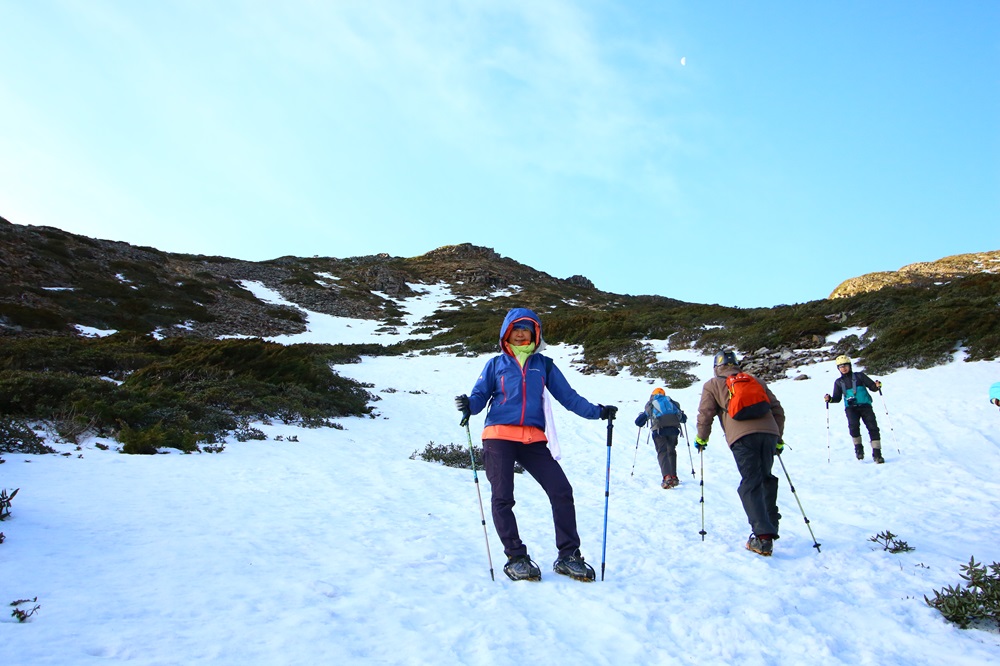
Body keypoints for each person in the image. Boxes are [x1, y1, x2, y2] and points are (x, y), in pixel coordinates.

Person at [454, 307, 618, 582]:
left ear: (535, 334)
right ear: (507, 333)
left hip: (533, 439)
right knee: (503, 496)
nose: (521, 334)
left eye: (526, 330)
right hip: (498, 437)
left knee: (561, 490)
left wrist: (598, 412)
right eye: (516, 330)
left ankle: (568, 556)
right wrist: (469, 406)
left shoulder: (545, 365)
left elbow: (569, 397)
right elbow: (480, 396)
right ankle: (516, 557)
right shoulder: (495, 365)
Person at [694, 350, 785, 557]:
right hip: (769, 433)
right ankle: (770, 525)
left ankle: (763, 538)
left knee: (750, 482)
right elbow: (777, 409)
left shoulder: (712, 384)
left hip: (742, 437)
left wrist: (702, 437)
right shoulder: (755, 380)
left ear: (716, 367)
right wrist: (778, 438)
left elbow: (706, 413)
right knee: (765, 478)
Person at [824, 355, 884, 464]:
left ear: (850, 366)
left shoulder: (860, 376)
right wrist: (830, 399)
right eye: (841, 367)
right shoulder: (838, 382)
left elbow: (872, 386)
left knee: (873, 428)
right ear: (838, 369)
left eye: (845, 366)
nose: (843, 368)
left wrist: (876, 386)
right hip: (851, 409)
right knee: (853, 428)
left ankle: (877, 454)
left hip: (865, 406)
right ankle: (858, 449)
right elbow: (837, 398)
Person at [634, 388, 687, 489]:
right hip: (674, 430)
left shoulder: (651, 403)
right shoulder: (671, 402)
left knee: (662, 452)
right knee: (671, 451)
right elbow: (683, 419)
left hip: (659, 430)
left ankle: (667, 478)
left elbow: (638, 422)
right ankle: (674, 477)